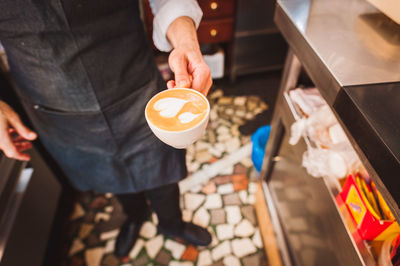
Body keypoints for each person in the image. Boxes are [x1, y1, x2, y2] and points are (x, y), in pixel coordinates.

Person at [0, 0, 213, 257]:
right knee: (108, 173)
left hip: (133, 82)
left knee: (161, 165)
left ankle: (171, 223)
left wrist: (186, 42)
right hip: (54, 102)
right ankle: (135, 215)